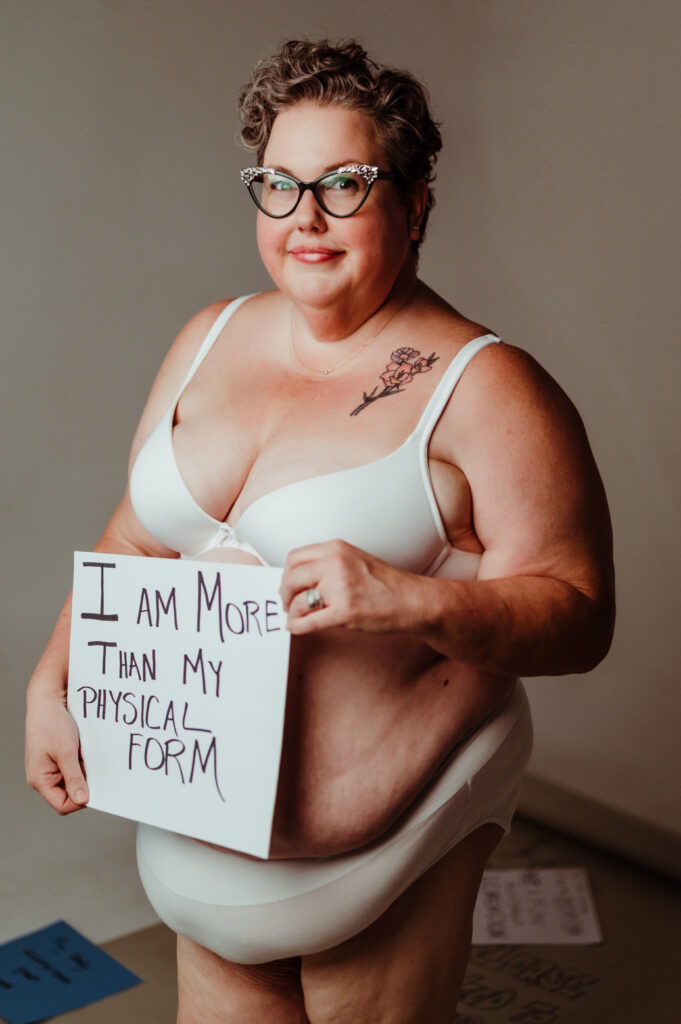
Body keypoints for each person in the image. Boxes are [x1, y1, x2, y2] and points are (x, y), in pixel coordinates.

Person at [25, 38, 614, 1024]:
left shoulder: (489, 389)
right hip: (193, 827)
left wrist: (410, 599)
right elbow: (135, 543)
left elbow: (579, 614)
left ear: (414, 201)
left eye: (345, 184)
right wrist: (54, 682)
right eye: (280, 184)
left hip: (376, 850)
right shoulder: (208, 335)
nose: (306, 217)